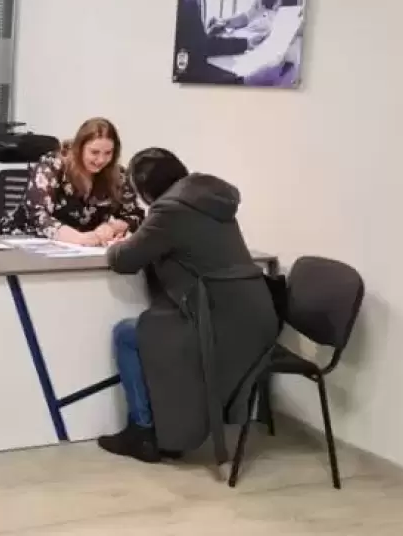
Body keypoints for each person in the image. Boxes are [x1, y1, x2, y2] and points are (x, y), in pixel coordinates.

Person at [97, 148, 279, 463]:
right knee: (159, 328)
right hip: (257, 319)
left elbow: (125, 260)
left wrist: (114, 246)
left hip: (218, 323)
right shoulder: (210, 201)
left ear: (146, 190)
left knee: (128, 334)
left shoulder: (170, 210)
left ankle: (143, 431)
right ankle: (170, 430)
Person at [0, 118, 142, 246]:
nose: (101, 160)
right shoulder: (52, 165)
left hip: (79, 250)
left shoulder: (117, 175)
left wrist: (113, 227)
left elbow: (136, 216)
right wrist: (79, 239)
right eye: (94, 152)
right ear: (79, 148)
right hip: (20, 242)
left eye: (108, 153)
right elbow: (37, 215)